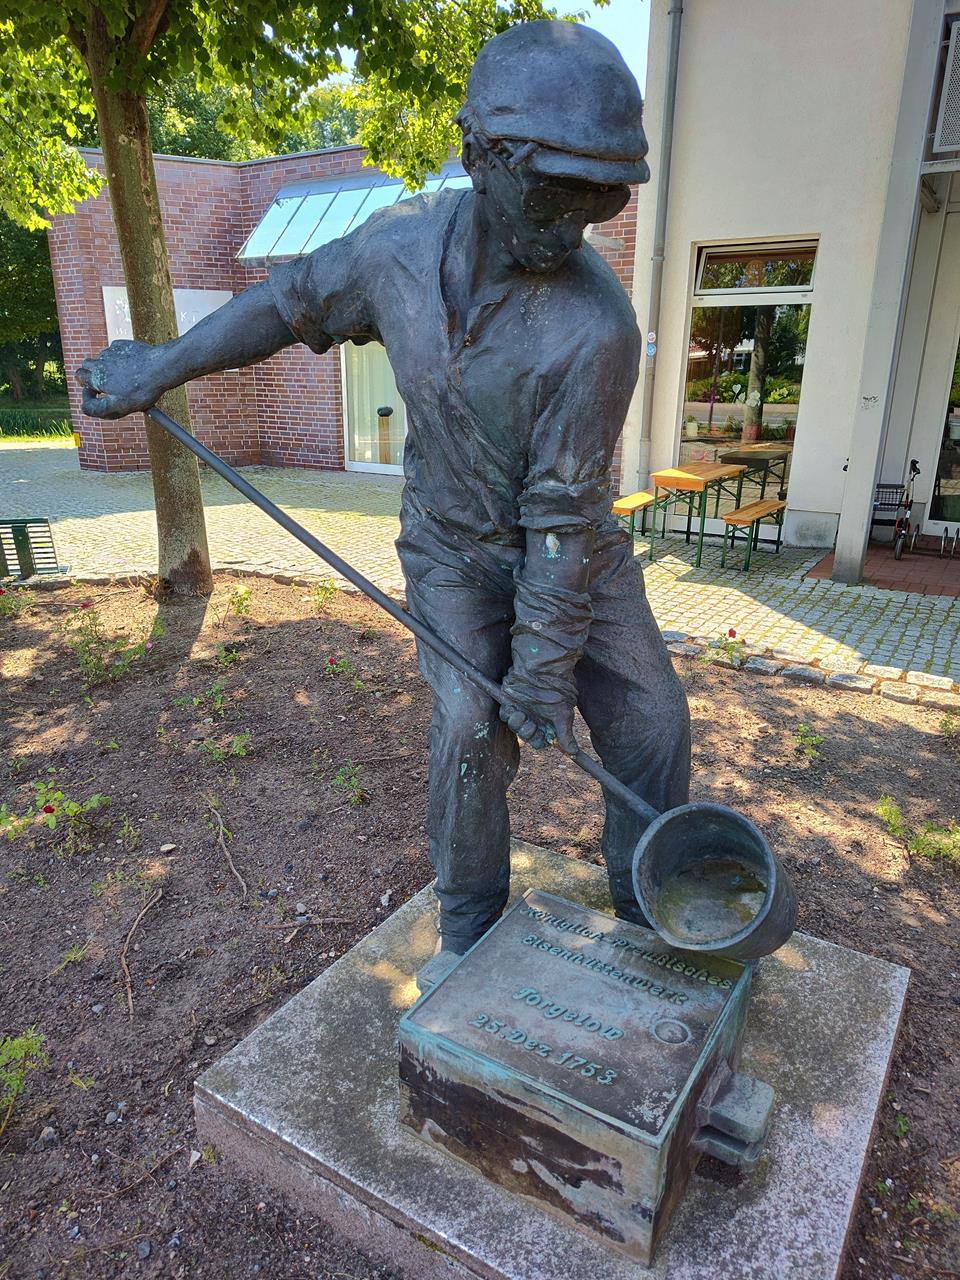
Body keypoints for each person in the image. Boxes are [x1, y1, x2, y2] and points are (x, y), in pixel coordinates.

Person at [77, 20, 691, 979]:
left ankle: (651, 923)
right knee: (470, 727)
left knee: (653, 724)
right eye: (555, 190)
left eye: (599, 197)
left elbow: (563, 520)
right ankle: (469, 928)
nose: (575, 221)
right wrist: (160, 366)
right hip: (452, 551)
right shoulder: (393, 249)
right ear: (480, 156)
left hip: (575, 554)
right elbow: (286, 303)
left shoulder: (597, 326)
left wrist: (543, 670)